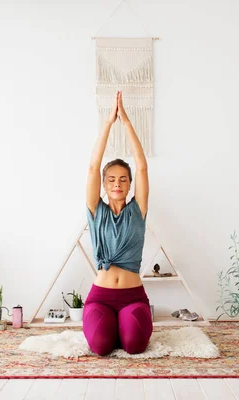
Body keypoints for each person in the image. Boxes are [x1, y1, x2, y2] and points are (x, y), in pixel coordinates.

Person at [83, 90, 152, 355]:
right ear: (104, 184)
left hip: (132, 296)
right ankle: (108, 327)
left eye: (123, 179)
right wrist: (108, 124)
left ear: (130, 184)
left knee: (134, 346)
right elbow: (92, 167)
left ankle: (124, 326)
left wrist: (126, 123)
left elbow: (142, 166)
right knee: (101, 347)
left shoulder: (139, 210)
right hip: (100, 296)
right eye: (111, 179)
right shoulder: (95, 210)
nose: (117, 184)